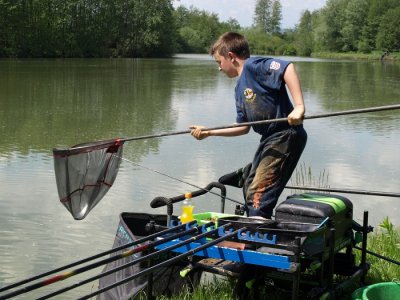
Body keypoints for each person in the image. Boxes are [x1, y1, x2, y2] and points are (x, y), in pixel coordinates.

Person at [190, 32, 307, 219]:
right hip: (269, 139)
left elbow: (287, 68)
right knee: (250, 187)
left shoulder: (253, 66)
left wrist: (299, 107)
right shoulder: (239, 88)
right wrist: (209, 132)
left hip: (287, 134)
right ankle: (248, 174)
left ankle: (256, 240)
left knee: (257, 196)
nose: (219, 68)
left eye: (219, 62)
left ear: (231, 57)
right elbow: (243, 127)